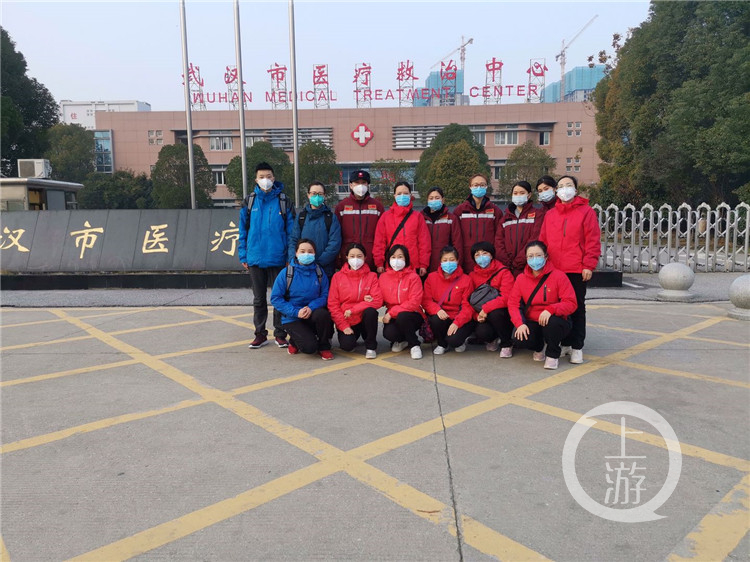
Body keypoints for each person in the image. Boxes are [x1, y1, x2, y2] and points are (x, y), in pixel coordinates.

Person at [538, 175, 601, 364]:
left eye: (569, 185)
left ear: (575, 189)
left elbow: (592, 240)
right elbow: (543, 241)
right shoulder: (551, 215)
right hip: (554, 270)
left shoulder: (586, 212)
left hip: (576, 269)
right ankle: (564, 342)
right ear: (556, 191)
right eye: (561, 186)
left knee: (577, 307)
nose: (565, 189)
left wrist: (588, 265)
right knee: (557, 308)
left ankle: (577, 346)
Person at [239, 161, 295, 350]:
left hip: (278, 258)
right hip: (255, 258)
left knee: (280, 297)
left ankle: (280, 334)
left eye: (269, 176)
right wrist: (243, 255)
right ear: (256, 179)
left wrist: (289, 257)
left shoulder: (284, 201)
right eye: (261, 177)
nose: (265, 180)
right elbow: (243, 230)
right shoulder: (249, 201)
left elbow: (291, 232)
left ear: (274, 178)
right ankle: (260, 334)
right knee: (259, 299)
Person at [508, 240, 577, 370]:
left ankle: (552, 354)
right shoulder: (521, 279)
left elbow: (571, 303)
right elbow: (513, 304)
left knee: (552, 324)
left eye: (538, 255)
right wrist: (519, 324)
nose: (534, 259)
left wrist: (551, 309)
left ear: (546, 257)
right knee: (520, 339)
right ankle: (539, 347)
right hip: (532, 320)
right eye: (530, 256)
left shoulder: (559, 276)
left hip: (555, 320)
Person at [270, 239, 334, 360]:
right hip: (292, 316)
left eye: (310, 251)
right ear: (296, 253)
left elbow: (325, 295)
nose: (306, 254)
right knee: (309, 348)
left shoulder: (319, 272)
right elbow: (276, 298)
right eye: (302, 251)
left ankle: (324, 346)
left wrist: (311, 307)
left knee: (323, 315)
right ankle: (294, 341)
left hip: (312, 312)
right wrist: (296, 312)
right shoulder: (287, 273)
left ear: (315, 254)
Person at [328, 243, 383, 359]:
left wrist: (353, 309)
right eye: (352, 256)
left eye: (359, 256)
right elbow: (333, 305)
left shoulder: (372, 276)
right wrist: (344, 326)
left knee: (371, 312)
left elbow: (377, 300)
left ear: (365, 258)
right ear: (346, 257)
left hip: (363, 318)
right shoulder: (337, 277)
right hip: (347, 320)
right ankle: (352, 336)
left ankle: (371, 347)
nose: (356, 259)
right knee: (347, 346)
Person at [422, 246, 476, 354]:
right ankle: (442, 344)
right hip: (442, 315)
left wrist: (457, 322)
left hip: (459, 316)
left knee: (454, 341)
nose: (448, 263)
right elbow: (426, 300)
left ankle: (459, 341)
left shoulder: (466, 280)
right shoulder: (431, 278)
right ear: (440, 262)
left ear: (457, 261)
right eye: (445, 260)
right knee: (435, 319)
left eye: (452, 260)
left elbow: (467, 306)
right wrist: (437, 310)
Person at [373, 181, 431, 277]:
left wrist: (424, 264)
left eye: (405, 193)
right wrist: (379, 262)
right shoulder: (386, 217)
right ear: (394, 196)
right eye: (399, 193)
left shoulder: (417, 217)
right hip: (392, 264)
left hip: (412, 266)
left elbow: (424, 242)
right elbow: (379, 242)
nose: (402, 196)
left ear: (410, 195)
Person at [467, 241, 516, 356]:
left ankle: (506, 343)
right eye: (477, 255)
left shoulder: (504, 272)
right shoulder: (472, 276)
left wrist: (486, 308)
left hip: (502, 314)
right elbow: (468, 299)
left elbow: (507, 297)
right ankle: (493, 339)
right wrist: (476, 316)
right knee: (482, 332)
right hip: (482, 315)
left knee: (496, 313)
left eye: (484, 253)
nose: (481, 257)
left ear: (492, 255)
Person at [288, 181, 342, 279]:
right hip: (302, 268)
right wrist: (294, 259)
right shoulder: (301, 217)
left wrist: (319, 263)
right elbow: (293, 240)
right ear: (308, 195)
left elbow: (334, 243)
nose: (317, 197)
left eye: (320, 194)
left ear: (324, 196)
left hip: (325, 269)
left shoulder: (331, 218)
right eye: (313, 193)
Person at [378, 245, 424, 360]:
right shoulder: (383, 277)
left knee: (403, 317)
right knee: (389, 334)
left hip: (412, 314)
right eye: (393, 257)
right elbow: (380, 299)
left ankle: (414, 345)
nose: (396, 260)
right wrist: (371, 298)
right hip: (393, 315)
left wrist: (391, 312)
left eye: (400, 257)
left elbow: (414, 302)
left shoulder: (413, 277)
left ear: (406, 259)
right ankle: (403, 340)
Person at [335, 170, 384, 271]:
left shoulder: (377, 206)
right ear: (351, 185)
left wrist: (379, 260)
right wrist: (339, 258)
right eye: (357, 183)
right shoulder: (341, 206)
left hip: (371, 258)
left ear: (368, 185)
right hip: (348, 258)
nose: (360, 186)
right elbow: (336, 235)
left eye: (363, 183)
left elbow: (382, 236)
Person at [453, 173, 502, 274]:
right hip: (467, 260)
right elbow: (456, 239)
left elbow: (499, 238)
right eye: (475, 185)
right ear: (470, 187)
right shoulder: (460, 211)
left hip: (488, 261)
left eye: (482, 185)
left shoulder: (495, 211)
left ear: (486, 186)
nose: (479, 187)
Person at [495, 181, 545, 277]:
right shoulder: (505, 219)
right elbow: (498, 242)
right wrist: (506, 262)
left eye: (522, 193)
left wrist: (520, 260)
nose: (518, 195)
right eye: (515, 193)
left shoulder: (537, 215)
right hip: (508, 268)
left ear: (529, 195)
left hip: (529, 265)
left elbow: (535, 238)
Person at [422, 186, 463, 273]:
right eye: (431, 198)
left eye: (437, 198)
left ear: (443, 200)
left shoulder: (451, 219)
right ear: (427, 200)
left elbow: (457, 243)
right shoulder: (421, 217)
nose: (434, 200)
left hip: (445, 264)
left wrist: (457, 262)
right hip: (425, 265)